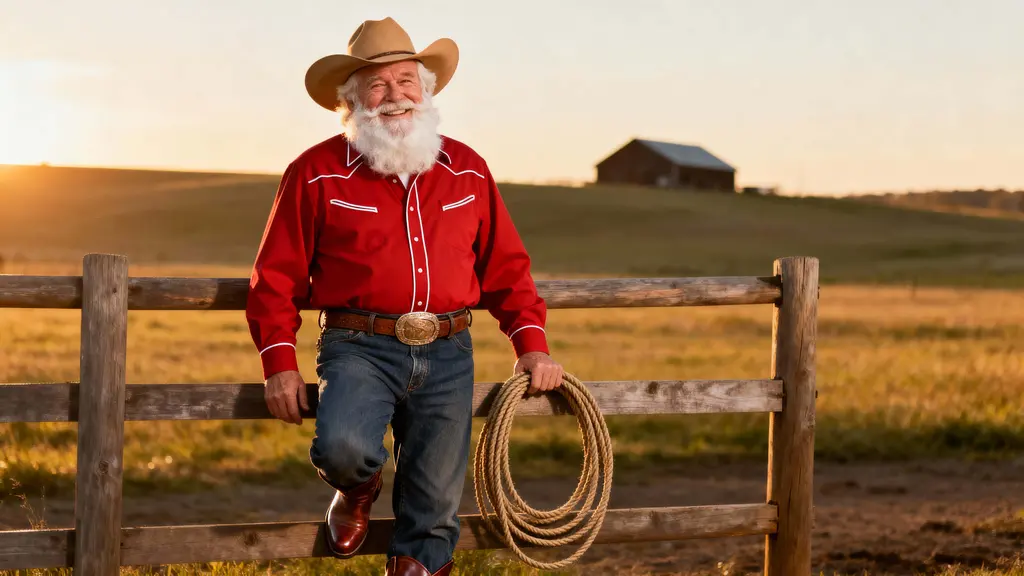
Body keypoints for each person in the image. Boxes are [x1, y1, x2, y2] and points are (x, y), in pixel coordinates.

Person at [245, 17, 564, 576]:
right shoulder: (314, 174)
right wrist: (279, 363)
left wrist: (531, 346)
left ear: (426, 90)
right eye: (377, 84)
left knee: (434, 509)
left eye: (405, 81)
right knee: (342, 447)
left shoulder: (467, 169)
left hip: (448, 349)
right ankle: (357, 487)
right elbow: (274, 275)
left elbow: (506, 267)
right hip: (358, 345)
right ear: (352, 101)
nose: (394, 96)